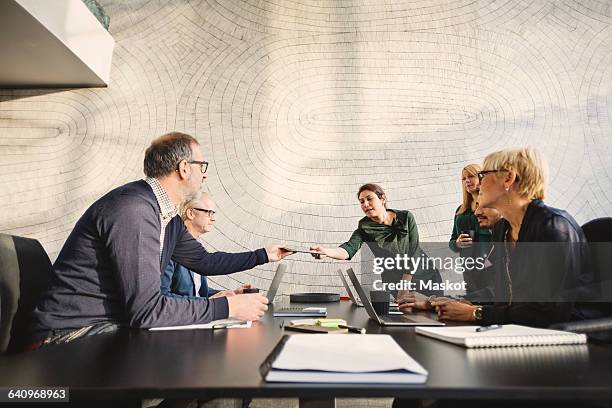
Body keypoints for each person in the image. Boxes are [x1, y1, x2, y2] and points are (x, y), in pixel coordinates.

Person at [28, 132, 291, 347]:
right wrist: (227, 307)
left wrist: (264, 255)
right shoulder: (134, 210)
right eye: (203, 167)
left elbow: (206, 262)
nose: (205, 174)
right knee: (193, 358)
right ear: (184, 168)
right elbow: (146, 311)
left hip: (107, 326)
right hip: (67, 336)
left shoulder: (168, 219)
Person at [417, 147, 593, 327]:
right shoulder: (503, 229)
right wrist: (443, 303)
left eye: (483, 174)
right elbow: (498, 293)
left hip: (568, 339)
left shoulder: (553, 227)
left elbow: (549, 313)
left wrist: (476, 313)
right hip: (518, 332)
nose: (479, 182)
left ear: (508, 178)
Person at [310, 183, 439, 293]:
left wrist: (404, 286)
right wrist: (326, 252)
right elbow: (348, 249)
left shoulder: (406, 217)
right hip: (395, 283)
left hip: (425, 277)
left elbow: (414, 250)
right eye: (361, 202)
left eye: (369, 199)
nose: (365, 204)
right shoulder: (364, 227)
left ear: (382, 199)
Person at [161, 191, 250, 298]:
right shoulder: (170, 247)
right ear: (191, 213)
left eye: (213, 213)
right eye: (209, 213)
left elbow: (197, 292)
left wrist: (231, 294)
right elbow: (163, 297)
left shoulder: (197, 247)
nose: (213, 219)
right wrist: (209, 303)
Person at [449, 164, 492, 251]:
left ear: (481, 177)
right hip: (467, 263)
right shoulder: (460, 210)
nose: (467, 181)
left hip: (489, 262)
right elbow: (452, 241)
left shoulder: (492, 207)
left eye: (471, 176)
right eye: (464, 179)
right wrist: (457, 244)